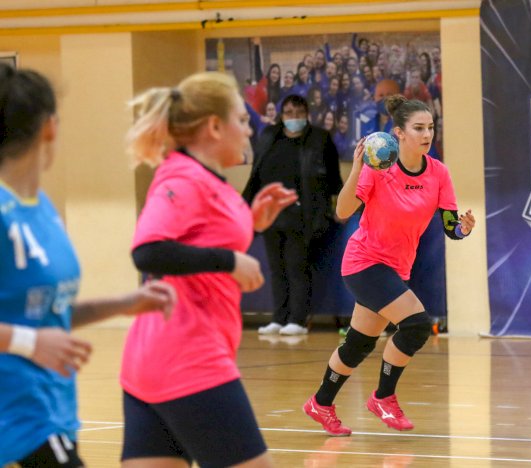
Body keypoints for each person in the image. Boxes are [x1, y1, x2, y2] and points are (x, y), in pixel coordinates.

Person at [0, 64, 176, 466]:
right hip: (16, 419)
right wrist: (29, 343)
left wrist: (121, 304)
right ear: (50, 127)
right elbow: (33, 336)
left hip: (50, 410)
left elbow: (45, 318)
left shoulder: (41, 209)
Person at [120, 71, 297, 467]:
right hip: (188, 356)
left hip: (153, 361)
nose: (249, 131)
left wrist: (252, 223)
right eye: (241, 120)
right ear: (214, 126)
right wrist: (230, 260)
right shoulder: (183, 178)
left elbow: (197, 241)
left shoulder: (206, 179)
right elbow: (147, 251)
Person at [303, 94, 475, 436]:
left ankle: (320, 403)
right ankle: (383, 397)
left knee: (359, 344)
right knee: (416, 324)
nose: (427, 134)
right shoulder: (378, 168)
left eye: (431, 127)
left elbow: (451, 227)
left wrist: (463, 228)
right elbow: (343, 212)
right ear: (399, 133)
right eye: (419, 128)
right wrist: (356, 169)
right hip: (364, 262)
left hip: (397, 268)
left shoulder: (438, 173)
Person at [242, 94, 342, 336]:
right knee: (277, 268)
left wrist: (338, 206)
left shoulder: (319, 139)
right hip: (271, 214)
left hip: (303, 214)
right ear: (281, 115)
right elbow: (256, 175)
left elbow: (332, 180)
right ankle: (279, 317)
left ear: (306, 114)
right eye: (289, 113)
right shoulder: (269, 138)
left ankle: (297, 319)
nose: (294, 118)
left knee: (297, 267)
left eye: (299, 113)